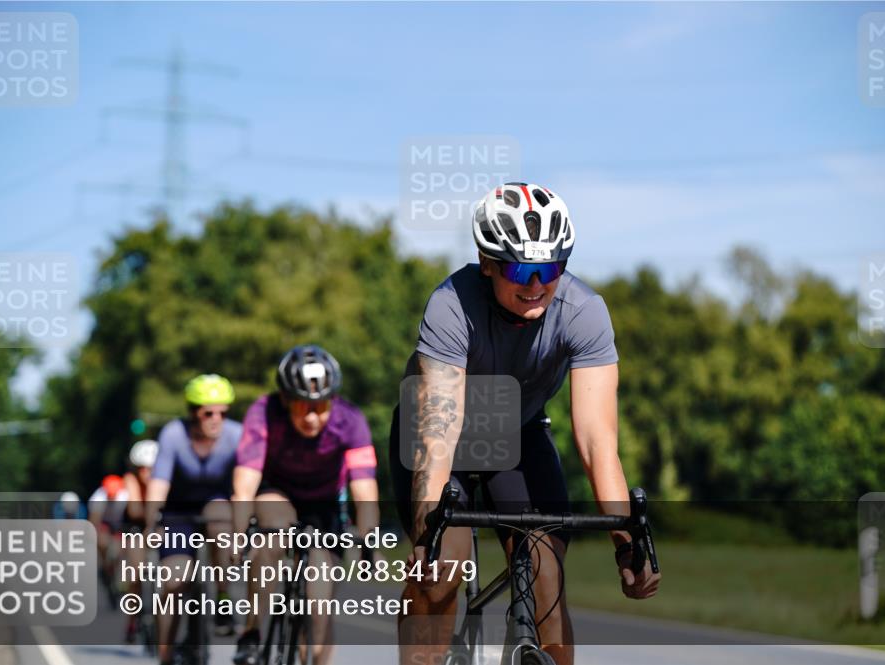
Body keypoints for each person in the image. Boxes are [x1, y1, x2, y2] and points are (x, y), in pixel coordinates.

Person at [390, 183, 661, 665]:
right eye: (521, 268)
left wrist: (627, 546)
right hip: (436, 428)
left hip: (514, 428)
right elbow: (439, 436)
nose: (537, 283)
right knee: (442, 570)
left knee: (546, 575)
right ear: (488, 261)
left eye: (552, 267)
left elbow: (598, 443)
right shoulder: (451, 304)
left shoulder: (584, 312)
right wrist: (427, 534)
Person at [231, 345, 380, 665]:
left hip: (326, 504)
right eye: (302, 406)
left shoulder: (350, 419)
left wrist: (369, 540)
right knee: (270, 534)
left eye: (321, 406)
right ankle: (253, 628)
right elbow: (245, 483)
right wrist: (239, 534)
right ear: (286, 400)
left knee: (318, 605)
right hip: (278, 492)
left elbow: (365, 490)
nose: (312, 416)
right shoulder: (264, 412)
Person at [145, 374, 243, 665]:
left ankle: (223, 597)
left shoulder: (236, 436)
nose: (217, 419)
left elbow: (243, 487)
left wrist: (241, 530)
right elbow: (159, 483)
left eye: (223, 413)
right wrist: (152, 524)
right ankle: (165, 654)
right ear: (192, 413)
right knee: (174, 582)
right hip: (178, 513)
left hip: (218, 505)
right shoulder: (174, 434)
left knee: (221, 514)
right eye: (208, 413)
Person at [120, 439, 159, 643]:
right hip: (135, 526)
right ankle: (132, 620)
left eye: (151, 469)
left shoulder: (164, 479)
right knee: (135, 573)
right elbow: (135, 510)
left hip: (159, 525)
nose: (147, 473)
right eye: (142, 469)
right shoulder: (130, 480)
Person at [88, 474, 128, 601]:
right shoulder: (98, 497)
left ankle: (117, 572)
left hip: (120, 524)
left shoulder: (125, 496)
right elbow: (95, 522)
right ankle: (105, 567)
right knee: (103, 543)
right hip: (104, 523)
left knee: (119, 550)